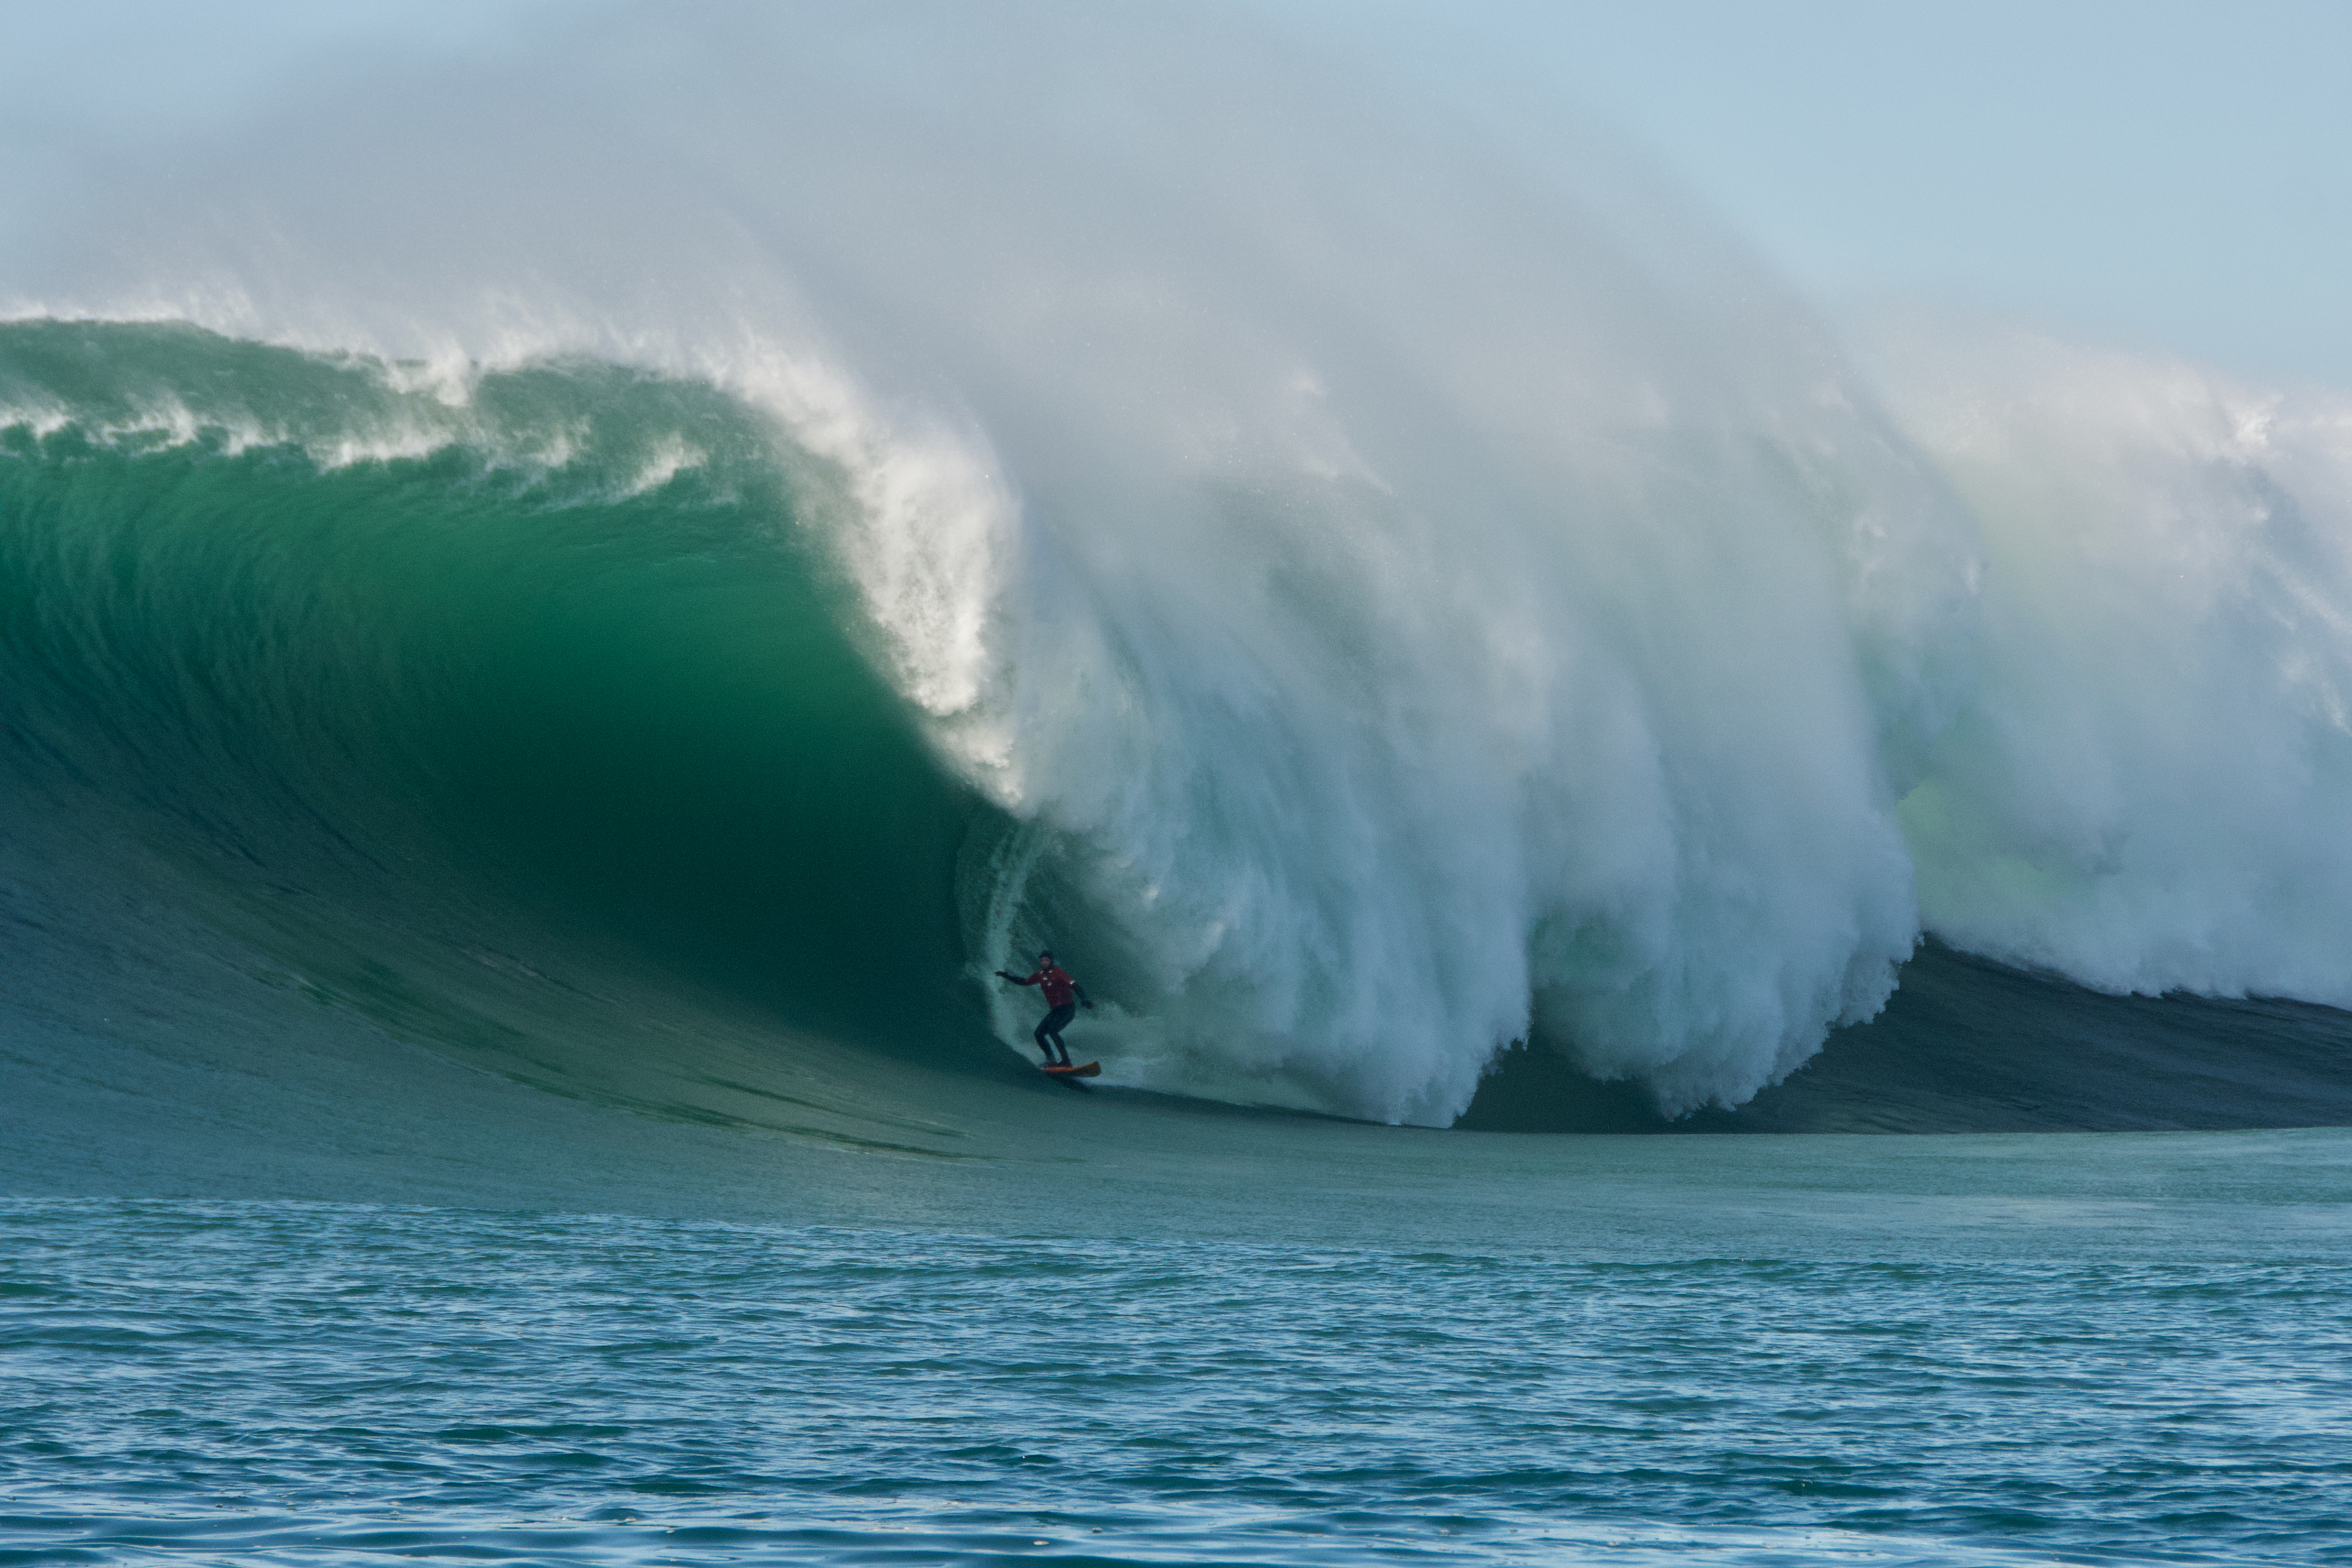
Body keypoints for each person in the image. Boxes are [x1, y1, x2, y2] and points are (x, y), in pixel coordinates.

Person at [994, 949, 1093, 1067]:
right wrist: (1007, 976)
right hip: (1056, 1011)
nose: (1044, 963)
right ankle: (1051, 1060)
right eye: (1042, 961)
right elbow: (1024, 982)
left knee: (1053, 1031)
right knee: (1039, 1034)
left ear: (1051, 961)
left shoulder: (1059, 973)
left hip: (1068, 1009)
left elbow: (1075, 986)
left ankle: (1066, 1061)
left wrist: (1084, 999)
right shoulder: (1040, 975)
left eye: (1047, 960)